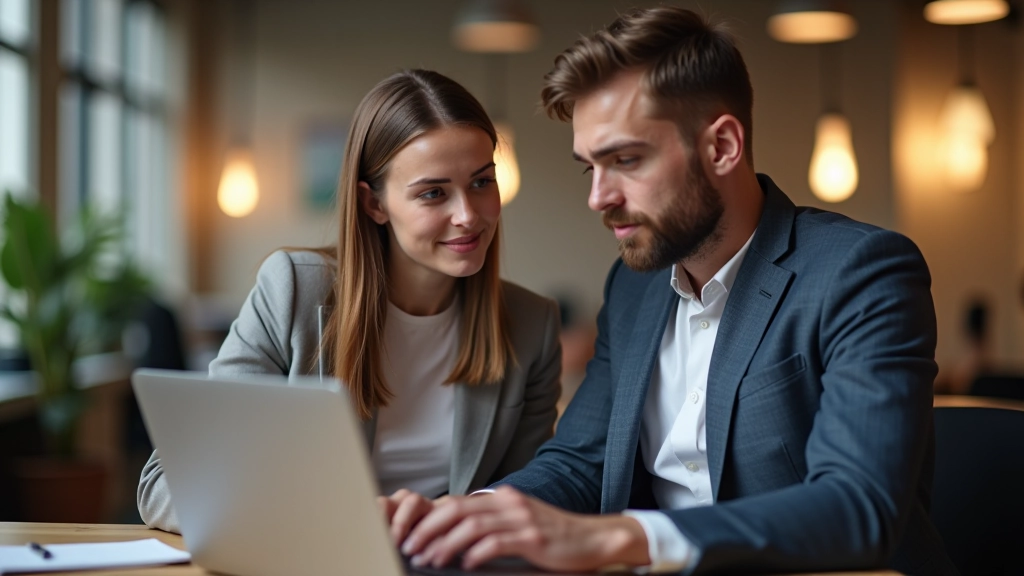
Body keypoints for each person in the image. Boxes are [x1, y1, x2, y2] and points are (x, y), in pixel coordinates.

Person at [385, 8, 959, 575]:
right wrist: (465, 519)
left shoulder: (860, 271)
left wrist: (621, 538)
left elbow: (857, 506)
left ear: (722, 147)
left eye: (626, 160)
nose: (599, 198)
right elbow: (579, 462)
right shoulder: (633, 289)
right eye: (591, 168)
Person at [137, 69, 563, 534]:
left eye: (482, 182)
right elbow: (163, 486)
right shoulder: (295, 291)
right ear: (373, 204)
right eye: (433, 193)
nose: (468, 215)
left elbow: (527, 493)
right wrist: (331, 523)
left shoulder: (532, 325)